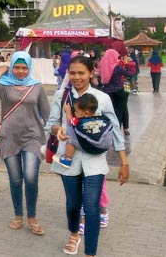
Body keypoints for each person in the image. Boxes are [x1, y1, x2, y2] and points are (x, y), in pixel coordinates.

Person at [46, 55, 129, 256]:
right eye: (72, 72)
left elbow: (115, 129)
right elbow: (50, 124)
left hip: (95, 161)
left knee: (91, 208)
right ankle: (74, 234)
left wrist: (124, 162)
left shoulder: (102, 99)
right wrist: (58, 130)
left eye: (81, 73)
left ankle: (90, 252)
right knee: (73, 204)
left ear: (91, 73)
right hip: (69, 160)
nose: (76, 77)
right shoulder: (62, 96)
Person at [0, 51, 49, 236]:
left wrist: (54, 133)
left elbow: (47, 113)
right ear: (12, 67)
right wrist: (1, 71)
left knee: (30, 176)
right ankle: (18, 215)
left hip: (32, 137)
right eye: (17, 67)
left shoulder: (36, 86)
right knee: (15, 179)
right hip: (9, 137)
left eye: (24, 68)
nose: (20, 71)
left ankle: (32, 217)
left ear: (29, 68)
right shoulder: (4, 85)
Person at [52, 93, 113, 168]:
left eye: (76, 111)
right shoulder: (100, 117)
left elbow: (70, 121)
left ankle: (67, 159)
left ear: (86, 113)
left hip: (93, 148)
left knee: (71, 137)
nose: (75, 113)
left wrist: (68, 111)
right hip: (105, 147)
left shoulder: (80, 121)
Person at [100, 48, 133, 135]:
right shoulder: (116, 66)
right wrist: (127, 64)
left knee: (112, 110)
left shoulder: (103, 65)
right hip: (121, 89)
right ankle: (123, 127)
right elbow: (129, 74)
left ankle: (113, 128)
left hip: (107, 91)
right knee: (122, 108)